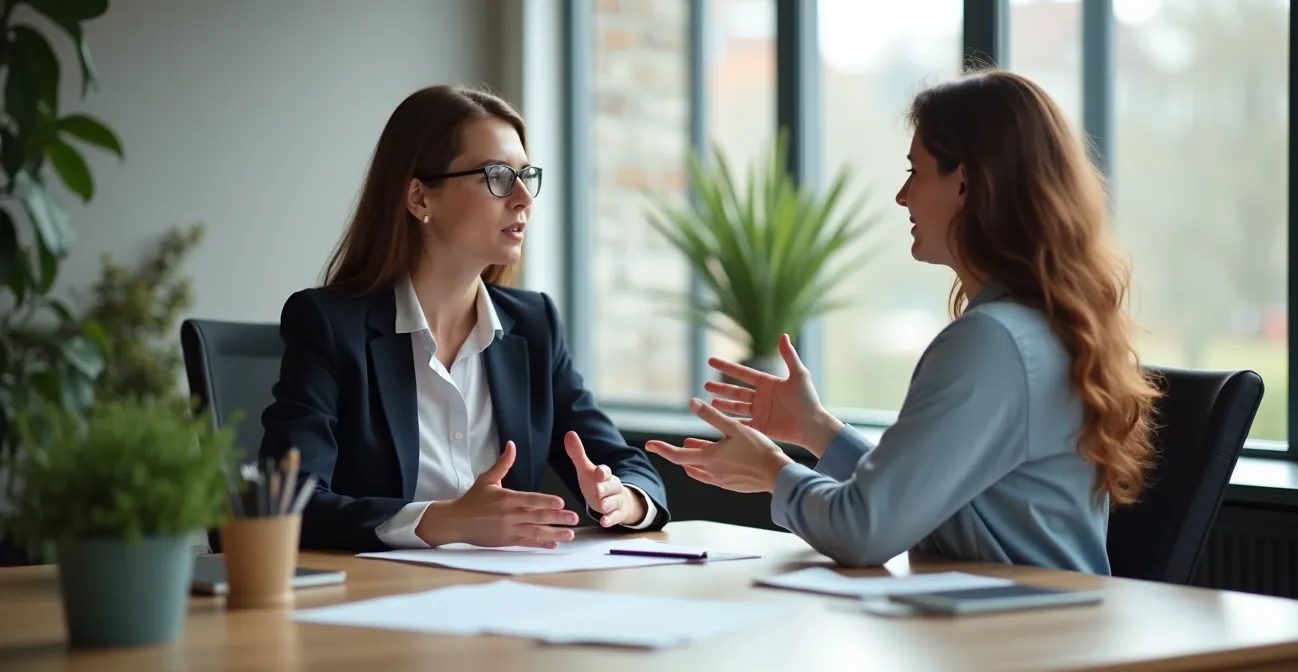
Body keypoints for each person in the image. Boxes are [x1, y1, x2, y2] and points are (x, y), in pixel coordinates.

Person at [645, 69, 1161, 574]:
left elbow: (863, 530)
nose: (902, 195)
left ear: (965, 182)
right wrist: (816, 428)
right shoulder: (1037, 328)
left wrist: (771, 469)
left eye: (915, 171)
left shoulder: (993, 342)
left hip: (1019, 644)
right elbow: (926, 506)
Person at [259, 85, 669, 552]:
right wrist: (442, 522)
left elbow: (630, 469)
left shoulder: (534, 325)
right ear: (419, 198)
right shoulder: (329, 325)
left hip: (505, 598)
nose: (523, 199)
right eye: (496, 176)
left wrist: (624, 499)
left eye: (526, 176)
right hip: (378, 600)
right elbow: (289, 503)